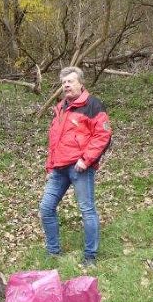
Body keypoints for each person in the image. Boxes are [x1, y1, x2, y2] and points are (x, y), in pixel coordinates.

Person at [39, 67, 112, 266]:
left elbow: (103, 135)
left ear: (81, 83)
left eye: (70, 81)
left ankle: (90, 256)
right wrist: (50, 166)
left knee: (87, 210)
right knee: (46, 208)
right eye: (64, 83)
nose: (67, 85)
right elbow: (55, 140)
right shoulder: (61, 108)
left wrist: (86, 159)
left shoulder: (93, 105)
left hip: (80, 167)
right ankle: (53, 252)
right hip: (59, 168)